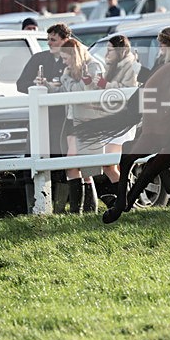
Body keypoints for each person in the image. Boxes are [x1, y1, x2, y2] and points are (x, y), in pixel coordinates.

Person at [16, 22, 71, 211]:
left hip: (61, 119)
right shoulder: (38, 58)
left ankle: (60, 206)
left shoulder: (70, 59)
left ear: (65, 40)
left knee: (60, 161)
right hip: (39, 118)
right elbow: (20, 83)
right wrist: (35, 84)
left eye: (53, 39)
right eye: (47, 39)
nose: (49, 43)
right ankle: (33, 204)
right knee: (33, 159)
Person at [89, 35, 140, 205]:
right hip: (111, 119)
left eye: (110, 50)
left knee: (109, 165)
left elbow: (128, 91)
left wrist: (105, 84)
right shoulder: (113, 66)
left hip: (122, 120)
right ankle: (125, 200)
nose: (107, 53)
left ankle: (125, 201)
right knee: (115, 166)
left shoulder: (130, 66)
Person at [55, 38, 103, 213]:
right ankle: (80, 208)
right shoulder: (69, 71)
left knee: (79, 163)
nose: (63, 62)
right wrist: (45, 86)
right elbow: (64, 91)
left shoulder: (93, 66)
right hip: (71, 119)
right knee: (74, 163)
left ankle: (83, 208)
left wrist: (66, 78)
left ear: (73, 55)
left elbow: (83, 91)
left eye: (65, 58)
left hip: (87, 119)